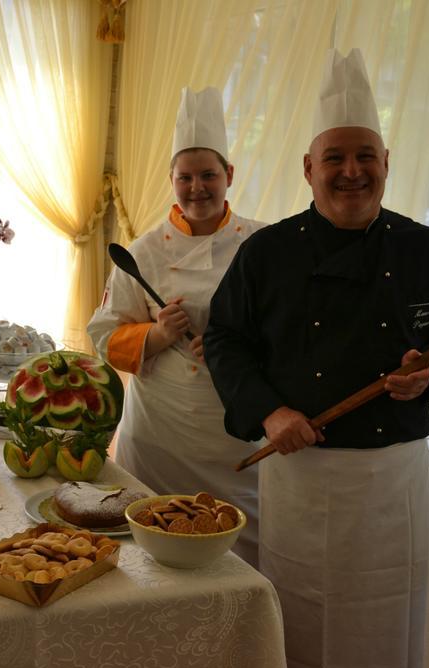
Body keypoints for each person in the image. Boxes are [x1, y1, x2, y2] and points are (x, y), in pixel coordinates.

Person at [205, 48, 429, 668]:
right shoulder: (267, 253)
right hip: (302, 472)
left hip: (394, 479)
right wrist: (270, 413)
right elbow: (224, 340)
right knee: (300, 616)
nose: (351, 172)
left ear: (386, 164)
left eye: (365, 157)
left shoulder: (424, 247)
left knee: (388, 617)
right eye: (335, 158)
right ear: (309, 168)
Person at [88, 87, 266, 567]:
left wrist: (238, 349)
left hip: (236, 436)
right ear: (171, 180)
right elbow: (103, 334)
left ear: (228, 176)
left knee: (238, 558)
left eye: (208, 175)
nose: (197, 188)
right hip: (157, 439)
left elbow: (290, 332)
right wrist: (156, 335)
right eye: (185, 177)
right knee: (149, 556)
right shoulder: (143, 252)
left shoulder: (263, 244)